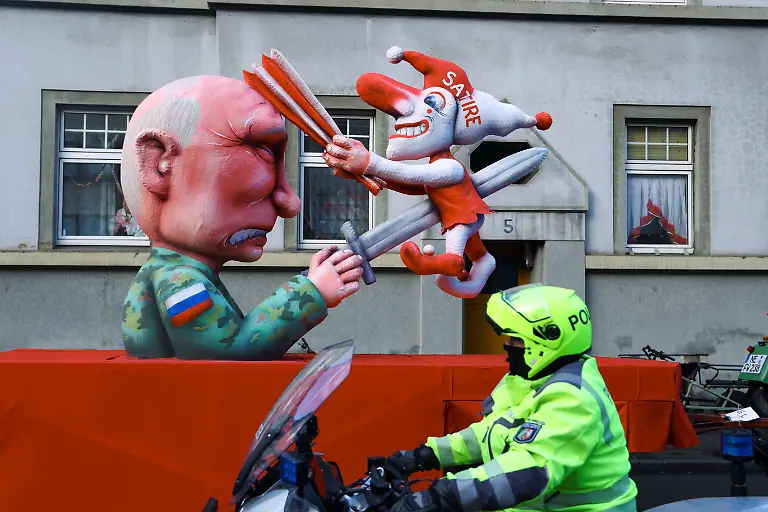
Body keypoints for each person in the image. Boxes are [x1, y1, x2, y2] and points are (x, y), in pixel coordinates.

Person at [119, 75, 363, 360]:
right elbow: (227, 350)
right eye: (262, 150)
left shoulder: (178, 274)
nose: (290, 203)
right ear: (160, 165)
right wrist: (311, 292)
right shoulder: (179, 281)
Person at [386, 284, 638, 512]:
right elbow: (489, 433)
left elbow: (528, 469)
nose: (507, 345)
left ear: (548, 337)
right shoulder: (530, 380)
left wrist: (440, 496)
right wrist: (422, 456)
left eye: (516, 338)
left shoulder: (573, 399)